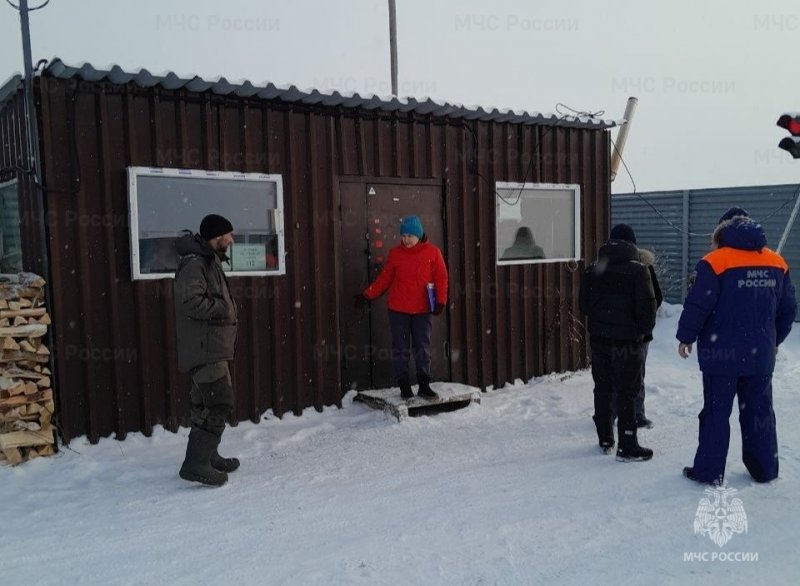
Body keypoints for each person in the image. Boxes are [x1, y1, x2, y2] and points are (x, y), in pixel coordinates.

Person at [677, 208, 796, 485]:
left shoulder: (714, 262)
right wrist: (773, 341)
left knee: (716, 414)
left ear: (721, 231)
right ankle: (764, 469)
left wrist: (686, 337)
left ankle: (709, 472)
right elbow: (788, 310)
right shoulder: (777, 262)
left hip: (721, 357)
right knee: (759, 412)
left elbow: (698, 305)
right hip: (760, 356)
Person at [579, 223, 657, 462]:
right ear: (632, 244)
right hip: (628, 343)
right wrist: (642, 332)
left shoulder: (593, 270)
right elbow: (647, 309)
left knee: (602, 388)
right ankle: (627, 444)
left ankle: (605, 438)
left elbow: (583, 306)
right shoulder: (638, 271)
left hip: (599, 341)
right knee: (627, 391)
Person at [173, 214, 239, 486]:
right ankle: (196, 464)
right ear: (216, 236)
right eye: (228, 235)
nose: (232, 240)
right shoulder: (195, 263)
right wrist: (222, 309)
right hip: (205, 348)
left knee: (205, 403)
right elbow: (189, 302)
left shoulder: (208, 260)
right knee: (219, 402)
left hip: (212, 346)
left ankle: (207, 456)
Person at [354, 215, 448, 400]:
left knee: (422, 347)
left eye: (410, 236)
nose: (406, 240)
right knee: (400, 349)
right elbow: (385, 279)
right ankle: (404, 386)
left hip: (422, 311)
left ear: (419, 235)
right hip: (398, 311)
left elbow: (442, 277)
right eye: (403, 236)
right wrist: (367, 295)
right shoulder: (396, 254)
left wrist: (441, 301)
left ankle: (424, 384)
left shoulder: (433, 253)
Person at [607, 224, 663, 429]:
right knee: (636, 375)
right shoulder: (643, 266)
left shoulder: (603, 265)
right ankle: (636, 414)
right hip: (638, 334)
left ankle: (610, 413)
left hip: (609, 332)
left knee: (611, 373)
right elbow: (657, 297)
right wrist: (643, 322)